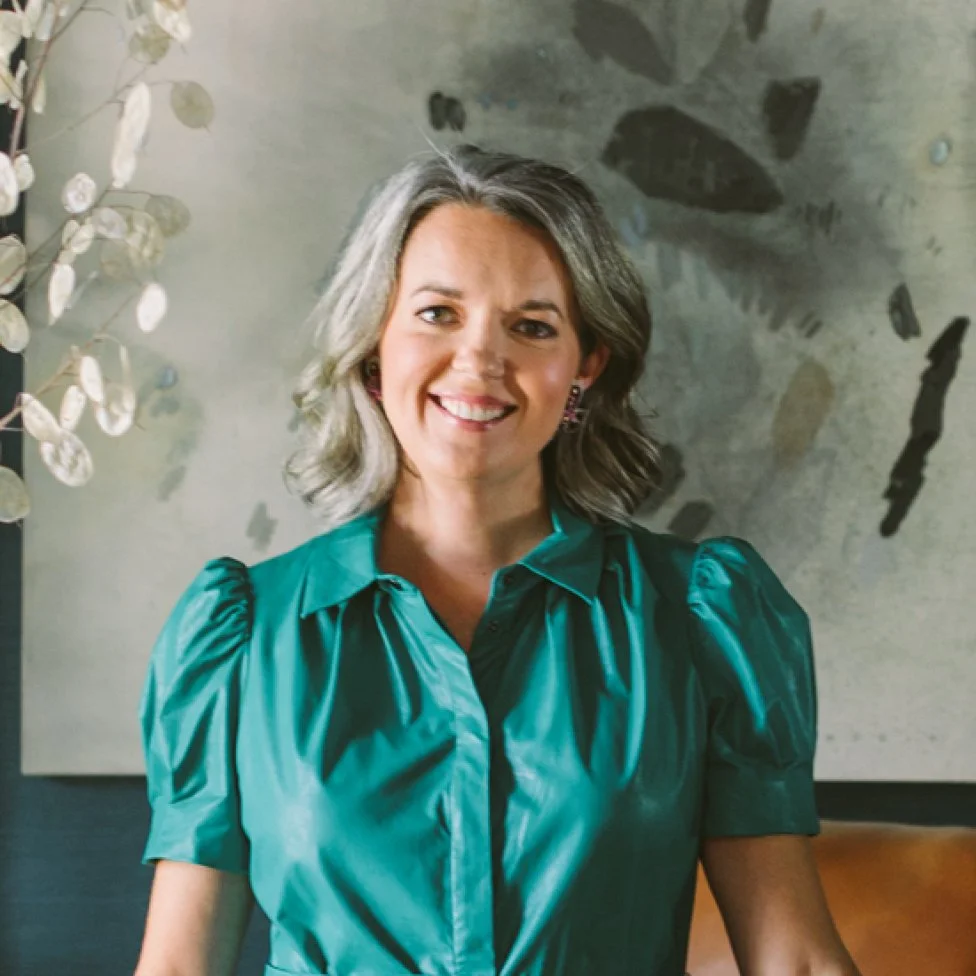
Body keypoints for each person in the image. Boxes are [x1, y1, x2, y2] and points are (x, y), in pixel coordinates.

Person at [134, 145, 861, 976]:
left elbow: (793, 959)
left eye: (532, 326)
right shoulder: (242, 639)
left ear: (585, 365)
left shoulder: (702, 619)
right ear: (376, 343)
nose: (480, 361)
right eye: (438, 313)